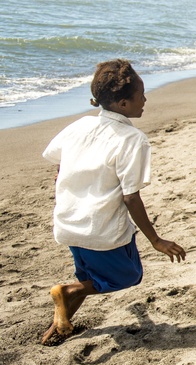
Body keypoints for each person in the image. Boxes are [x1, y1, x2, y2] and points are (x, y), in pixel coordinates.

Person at [41, 60, 186, 345]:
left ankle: (54, 332)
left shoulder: (81, 125)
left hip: (69, 221)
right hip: (101, 228)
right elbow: (130, 196)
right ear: (122, 103)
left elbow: (52, 156)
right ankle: (65, 293)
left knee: (87, 281)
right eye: (140, 95)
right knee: (128, 276)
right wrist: (155, 239)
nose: (145, 99)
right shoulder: (133, 139)